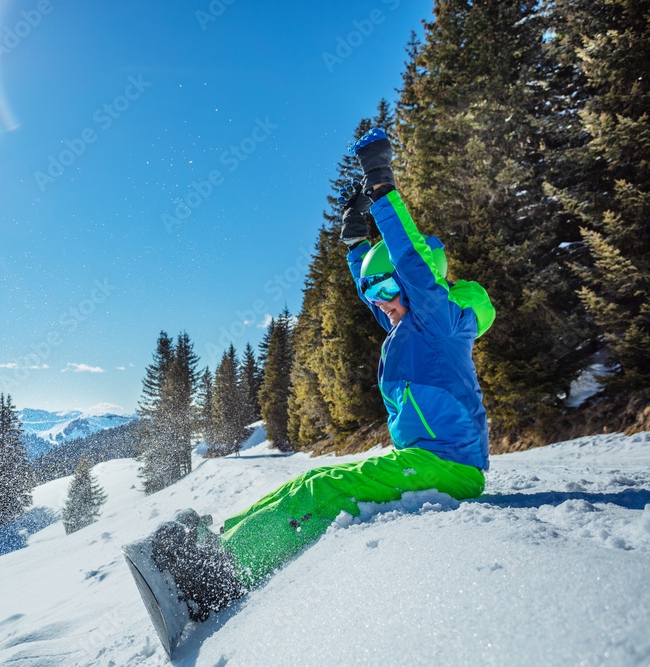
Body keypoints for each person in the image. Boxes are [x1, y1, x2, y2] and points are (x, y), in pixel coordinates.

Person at [124, 129, 496, 647]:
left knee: (324, 491)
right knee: (300, 485)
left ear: (419, 283)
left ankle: (214, 581)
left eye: (390, 290)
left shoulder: (436, 317)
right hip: (428, 458)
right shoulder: (410, 325)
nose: (381, 302)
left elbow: (409, 260)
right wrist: (354, 242)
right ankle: (214, 546)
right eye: (374, 293)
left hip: (450, 468)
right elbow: (386, 283)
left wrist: (382, 184)